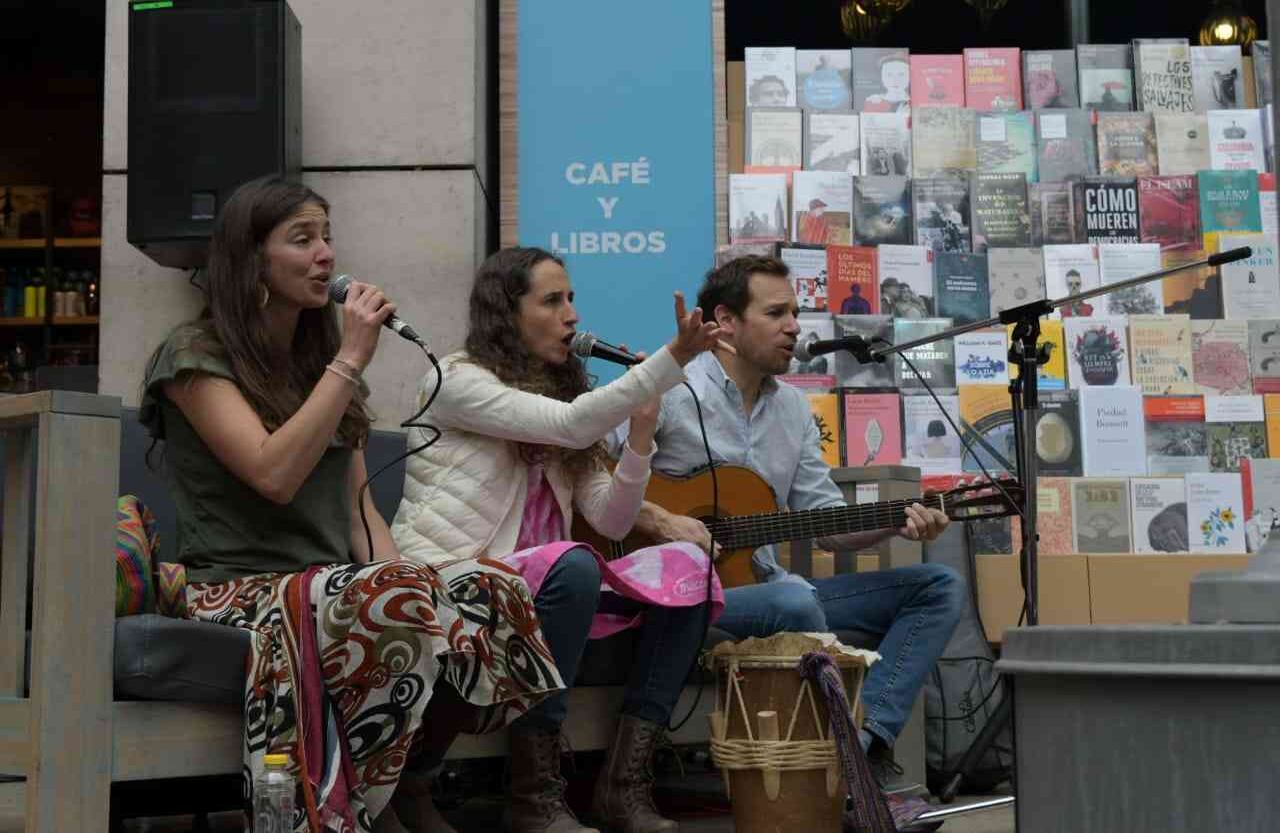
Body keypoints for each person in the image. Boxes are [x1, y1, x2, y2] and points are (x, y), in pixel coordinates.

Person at [139, 177, 558, 833]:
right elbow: (272, 474)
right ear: (251, 259)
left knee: (491, 588)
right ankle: (350, 808)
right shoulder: (193, 356)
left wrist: (413, 580)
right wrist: (352, 357)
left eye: (328, 237)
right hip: (237, 587)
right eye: (302, 239)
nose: (326, 255)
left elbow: (363, 514)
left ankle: (405, 781)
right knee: (392, 595)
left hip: (331, 584)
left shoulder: (321, 369)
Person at [608, 255, 964, 828]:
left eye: (795, 312)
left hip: (762, 588)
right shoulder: (670, 387)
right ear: (725, 322)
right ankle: (848, 785)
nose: (795, 326)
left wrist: (897, 520)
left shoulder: (793, 408)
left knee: (938, 586)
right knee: (794, 599)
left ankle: (857, 754)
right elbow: (589, 472)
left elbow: (826, 522)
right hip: (672, 595)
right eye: (776, 313)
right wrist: (663, 520)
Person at [391, 247, 725, 833]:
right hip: (458, 576)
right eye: (552, 301)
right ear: (505, 312)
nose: (572, 315)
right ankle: (534, 795)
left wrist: (641, 435)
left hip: (550, 585)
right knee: (573, 564)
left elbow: (612, 519)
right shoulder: (455, 379)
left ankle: (624, 785)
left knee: (688, 568)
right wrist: (672, 357)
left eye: (571, 299)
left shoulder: (561, 394)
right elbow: (570, 426)